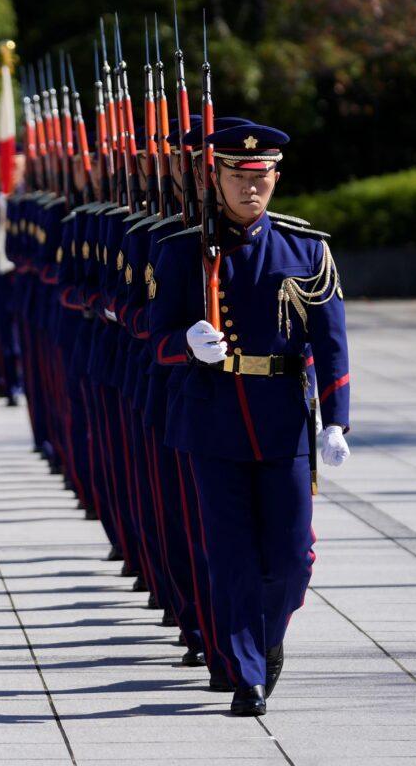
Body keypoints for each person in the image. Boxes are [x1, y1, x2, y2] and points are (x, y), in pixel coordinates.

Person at [149, 123, 351, 716]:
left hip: (283, 417)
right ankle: (246, 672)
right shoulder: (184, 250)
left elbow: (332, 343)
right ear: (216, 178)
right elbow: (155, 337)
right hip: (212, 420)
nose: (250, 187)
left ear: (276, 178)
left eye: (260, 177)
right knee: (231, 553)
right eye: (238, 176)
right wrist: (187, 341)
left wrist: (336, 420)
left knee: (291, 554)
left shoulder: (305, 251)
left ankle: (267, 635)